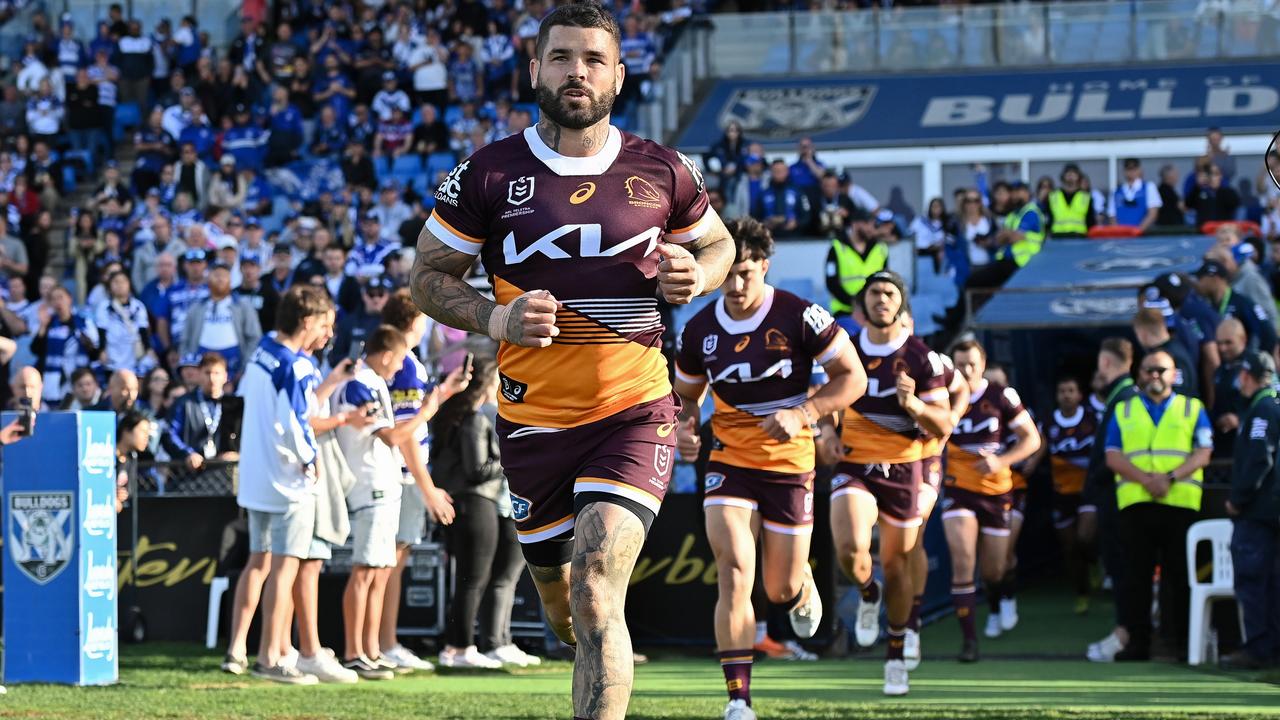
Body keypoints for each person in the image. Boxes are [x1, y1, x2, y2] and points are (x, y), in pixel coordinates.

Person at [409, 4, 735, 717]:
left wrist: (698, 275)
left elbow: (720, 246)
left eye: (593, 58)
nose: (576, 71)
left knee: (594, 589)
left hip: (633, 409)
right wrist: (495, 317)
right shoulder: (487, 173)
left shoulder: (663, 167)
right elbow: (424, 278)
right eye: (561, 57)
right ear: (535, 70)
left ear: (619, 74)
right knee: (562, 606)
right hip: (531, 425)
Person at [672, 218, 863, 719]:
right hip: (730, 459)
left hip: (790, 462)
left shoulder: (801, 315)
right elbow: (685, 399)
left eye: (746, 274)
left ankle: (799, 585)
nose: (735, 286)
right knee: (735, 571)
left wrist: (805, 412)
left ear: (765, 267)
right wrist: (687, 429)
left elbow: (854, 378)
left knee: (777, 588)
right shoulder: (699, 328)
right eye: (727, 274)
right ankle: (738, 699)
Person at [826, 270, 951, 696]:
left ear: (901, 304)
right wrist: (826, 432)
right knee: (850, 551)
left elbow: (944, 425)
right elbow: (825, 400)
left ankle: (896, 654)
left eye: (890, 292)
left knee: (899, 567)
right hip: (856, 464)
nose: (882, 299)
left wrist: (912, 404)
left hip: (904, 468)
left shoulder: (922, 358)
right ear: (862, 306)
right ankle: (867, 591)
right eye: (875, 293)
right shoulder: (846, 351)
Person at [235, 286, 337, 684]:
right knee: (284, 569)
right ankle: (271, 656)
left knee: (263, 564)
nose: (325, 333)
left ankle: (255, 651)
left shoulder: (263, 350)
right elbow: (296, 423)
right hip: (286, 481)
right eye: (323, 324)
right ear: (307, 321)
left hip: (258, 476)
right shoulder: (292, 365)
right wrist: (311, 459)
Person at [333, 326, 432, 679]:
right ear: (388, 354)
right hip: (368, 484)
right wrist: (428, 409)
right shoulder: (360, 381)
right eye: (401, 358)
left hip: (383, 483)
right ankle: (353, 651)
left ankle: (371, 649)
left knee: (377, 571)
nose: (400, 367)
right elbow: (391, 436)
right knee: (365, 570)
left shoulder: (372, 380)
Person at [378, 291, 467, 673]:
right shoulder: (408, 366)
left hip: (398, 473)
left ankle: (380, 642)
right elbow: (406, 432)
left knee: (389, 562)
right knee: (391, 563)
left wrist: (444, 393)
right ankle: (383, 643)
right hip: (403, 475)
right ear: (416, 320)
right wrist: (426, 485)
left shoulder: (403, 362)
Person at [1105, 349, 1212, 661]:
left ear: (1174, 373)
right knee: (1136, 578)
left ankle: (1183, 644)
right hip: (1137, 503)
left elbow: (1203, 451)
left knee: (1180, 578)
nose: (1155, 375)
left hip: (1179, 502)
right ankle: (1139, 644)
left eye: (1162, 370)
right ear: (1139, 373)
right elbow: (1113, 455)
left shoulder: (1192, 408)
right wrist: (1146, 480)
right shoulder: (1124, 410)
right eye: (1149, 369)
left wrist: (1169, 478)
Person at [941, 340, 1040, 660]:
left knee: (994, 570)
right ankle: (969, 641)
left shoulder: (1001, 396)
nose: (966, 371)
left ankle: (1000, 599)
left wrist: (1001, 460)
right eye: (959, 364)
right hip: (958, 489)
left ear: (983, 364)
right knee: (963, 563)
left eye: (971, 364)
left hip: (997, 491)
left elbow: (1032, 440)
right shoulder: (942, 396)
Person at [432, 358, 523, 669]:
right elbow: (476, 470)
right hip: (473, 502)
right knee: (473, 579)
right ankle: (458, 647)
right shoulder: (472, 419)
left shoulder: (467, 418)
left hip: (474, 501)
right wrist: (510, 460)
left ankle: (460, 645)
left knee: (473, 578)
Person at [904, 335, 967, 671]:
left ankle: (911, 621)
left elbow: (961, 387)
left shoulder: (930, 360)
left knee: (914, 531)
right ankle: (873, 595)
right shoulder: (863, 353)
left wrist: (950, 419)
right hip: (878, 458)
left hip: (923, 457)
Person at [1222, 350, 1280, 670]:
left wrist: (1239, 498)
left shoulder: (1262, 409)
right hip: (1272, 511)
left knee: (1253, 580)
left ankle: (1259, 648)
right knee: (1273, 581)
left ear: (1247, 376)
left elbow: (1260, 457)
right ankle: (1271, 647)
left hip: (1259, 512)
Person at [1039, 376, 1099, 614]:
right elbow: (1037, 448)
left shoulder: (1091, 420)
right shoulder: (1048, 423)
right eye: (1062, 390)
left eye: (1071, 390)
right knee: (1070, 547)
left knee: (1085, 537)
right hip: (1060, 493)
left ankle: (1095, 562)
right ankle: (1081, 593)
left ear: (1079, 395)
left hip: (1088, 491)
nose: (1066, 395)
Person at [1194, 259, 1277, 356]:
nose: (1197, 284)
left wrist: (1257, 361)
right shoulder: (1208, 306)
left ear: (1214, 278)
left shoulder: (1242, 303)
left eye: (1200, 279)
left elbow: (1268, 333)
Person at [824, 212, 883, 329]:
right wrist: (854, 303)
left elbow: (884, 279)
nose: (871, 228)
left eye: (873, 224)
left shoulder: (880, 249)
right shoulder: (837, 247)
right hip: (844, 310)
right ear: (855, 224)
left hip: (872, 310)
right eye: (867, 224)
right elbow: (831, 283)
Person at [1132, 308, 1199, 399]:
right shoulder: (1176, 349)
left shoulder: (1173, 356)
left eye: (1137, 334)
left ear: (1143, 334)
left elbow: (1180, 392)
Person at [1211, 318, 1248, 459]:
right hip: (1223, 445)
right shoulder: (1220, 370)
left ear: (1243, 339)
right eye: (1219, 343)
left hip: (1247, 446)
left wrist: (1241, 419)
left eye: (1228, 342)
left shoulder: (1256, 366)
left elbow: (1270, 403)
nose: (1222, 348)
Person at [1109, 158, 1162, 233]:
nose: (1131, 172)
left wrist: (1137, 231)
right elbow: (1112, 217)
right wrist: (1119, 234)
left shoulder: (1149, 187)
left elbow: (1153, 214)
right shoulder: (1116, 192)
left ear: (1139, 170)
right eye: (1128, 169)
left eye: (1134, 168)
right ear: (1124, 171)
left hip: (1142, 238)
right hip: (1121, 238)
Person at [1045, 164, 1095, 239]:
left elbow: (1091, 222)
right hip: (1057, 238)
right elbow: (1048, 220)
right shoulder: (1053, 196)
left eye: (1074, 173)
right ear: (1063, 176)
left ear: (1079, 177)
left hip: (1079, 238)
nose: (1070, 175)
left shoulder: (1086, 197)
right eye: (1068, 173)